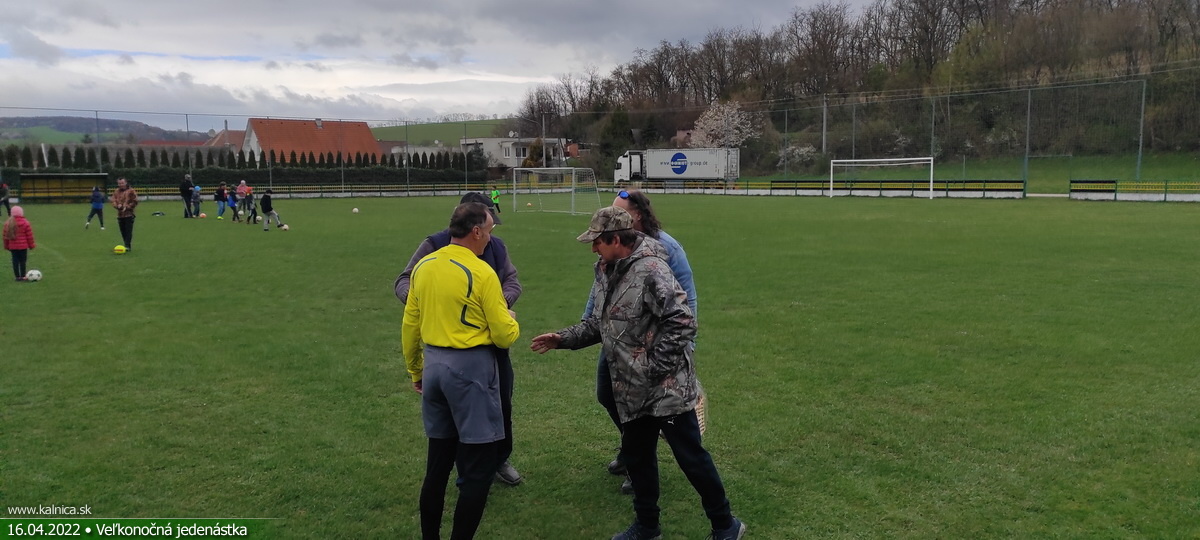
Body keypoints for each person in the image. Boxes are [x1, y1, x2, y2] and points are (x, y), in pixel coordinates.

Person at [530, 207, 745, 540]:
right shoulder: (606, 270)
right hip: (630, 390)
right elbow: (600, 323)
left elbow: (682, 321)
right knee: (638, 457)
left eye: (598, 242)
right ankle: (647, 527)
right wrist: (563, 339)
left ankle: (726, 525)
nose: (593, 248)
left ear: (616, 239)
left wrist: (652, 368)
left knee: (691, 458)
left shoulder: (652, 270)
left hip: (666, 389)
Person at [403, 201, 520, 540]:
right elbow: (502, 334)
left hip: (434, 366)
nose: (491, 238)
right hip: (470, 372)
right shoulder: (481, 272)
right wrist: (511, 320)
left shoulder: (424, 266)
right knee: (478, 470)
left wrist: (416, 370)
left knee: (437, 466)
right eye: (490, 231)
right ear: (476, 232)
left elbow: (410, 325)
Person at [588, 189, 700, 494]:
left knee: (664, 422)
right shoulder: (611, 251)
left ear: (636, 215)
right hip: (618, 341)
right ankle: (633, 452)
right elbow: (601, 291)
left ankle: (639, 462)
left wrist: (682, 347)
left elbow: (685, 297)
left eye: (621, 210)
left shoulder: (664, 248)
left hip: (652, 348)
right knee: (607, 395)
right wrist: (590, 324)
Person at [3, 206, 35, 281]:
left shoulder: (8, 223)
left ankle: (17, 277)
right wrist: (31, 245)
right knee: (23, 261)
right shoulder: (25, 222)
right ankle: (23, 276)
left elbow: (5, 236)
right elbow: (29, 236)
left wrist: (6, 246)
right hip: (23, 247)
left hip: (13, 247)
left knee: (15, 261)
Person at [111, 177, 138, 251]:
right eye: (119, 183)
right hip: (120, 215)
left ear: (126, 183)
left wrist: (127, 206)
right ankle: (126, 244)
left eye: (122, 183)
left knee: (128, 231)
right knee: (123, 231)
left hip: (129, 214)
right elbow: (113, 200)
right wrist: (117, 206)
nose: (121, 185)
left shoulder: (131, 191)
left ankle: (127, 246)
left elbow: (135, 201)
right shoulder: (116, 191)